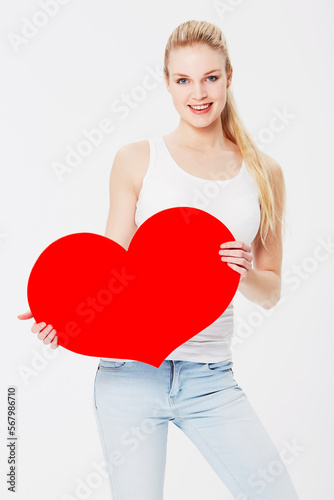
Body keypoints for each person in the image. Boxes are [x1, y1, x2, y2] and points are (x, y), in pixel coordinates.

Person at [18, 19, 300, 500]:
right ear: (167, 82)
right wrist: (62, 314)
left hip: (210, 379)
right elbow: (111, 268)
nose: (199, 93)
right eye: (183, 80)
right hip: (128, 377)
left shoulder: (265, 172)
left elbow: (270, 291)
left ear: (230, 76)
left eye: (211, 77)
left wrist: (245, 273)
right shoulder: (137, 158)